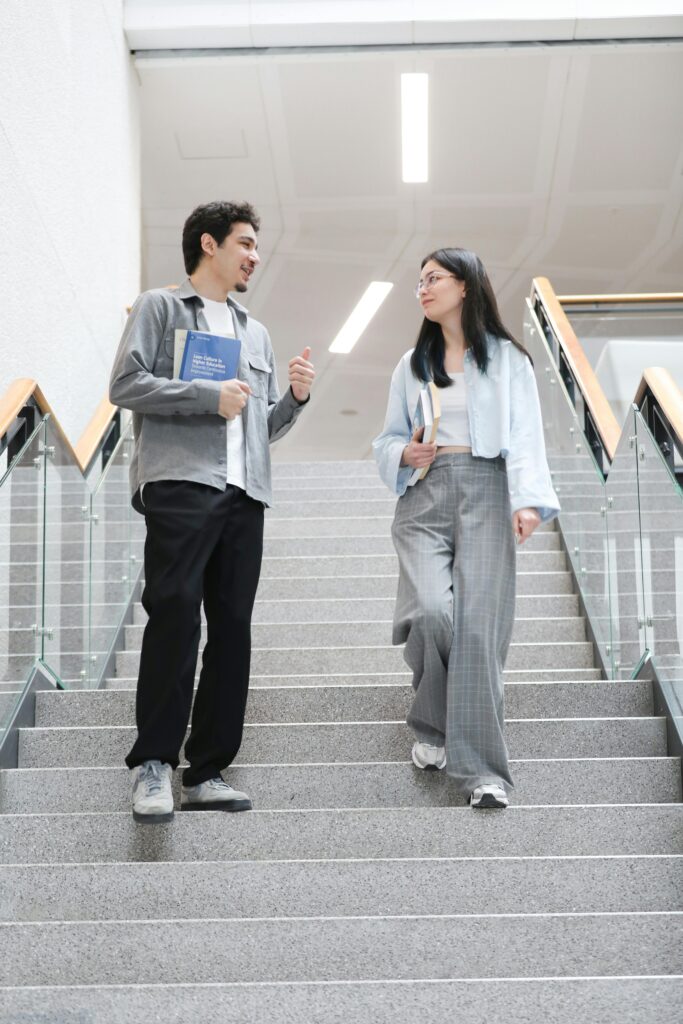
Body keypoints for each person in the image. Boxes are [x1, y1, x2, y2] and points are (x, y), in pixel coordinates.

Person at [109, 201, 315, 823]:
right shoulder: (160, 307)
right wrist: (206, 395)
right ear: (209, 244)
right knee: (174, 616)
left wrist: (296, 400)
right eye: (246, 243)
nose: (255, 255)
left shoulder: (257, 333)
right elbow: (125, 385)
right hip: (181, 484)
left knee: (232, 630)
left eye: (257, 246)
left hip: (244, 493)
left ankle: (207, 771)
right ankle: (153, 765)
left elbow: (259, 428)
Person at [373, 248, 559, 809]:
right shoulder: (410, 364)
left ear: (466, 286)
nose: (423, 289)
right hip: (424, 495)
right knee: (431, 613)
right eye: (419, 281)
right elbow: (383, 441)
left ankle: (482, 773)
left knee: (478, 631)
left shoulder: (507, 360)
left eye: (433, 278)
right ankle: (434, 723)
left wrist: (527, 501)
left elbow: (525, 435)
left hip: (489, 489)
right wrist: (403, 452)